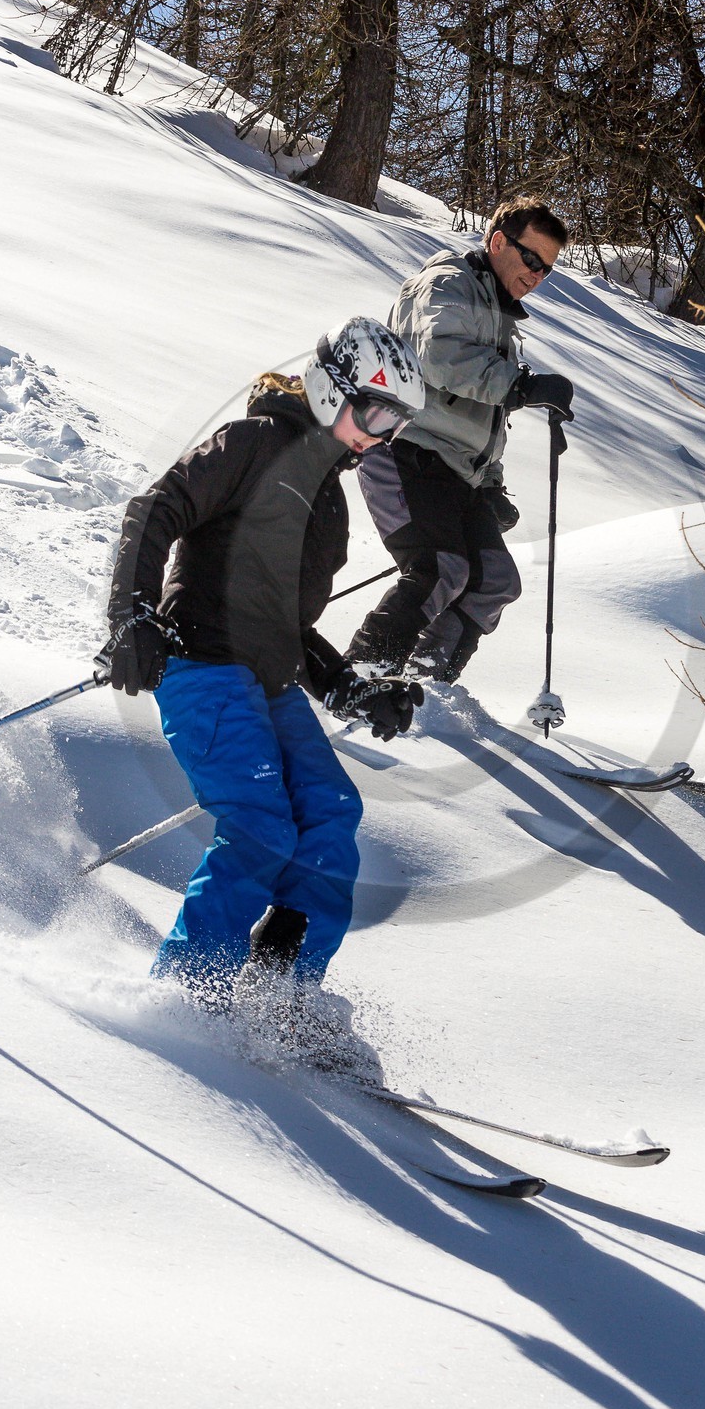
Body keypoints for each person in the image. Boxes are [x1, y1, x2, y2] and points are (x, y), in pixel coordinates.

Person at [97, 317, 426, 1017]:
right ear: (331, 389)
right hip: (205, 667)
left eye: (394, 425)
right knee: (261, 829)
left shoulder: (329, 497)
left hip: (271, 685)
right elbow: (155, 509)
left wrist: (347, 687)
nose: (379, 436)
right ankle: (188, 999)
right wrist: (132, 614)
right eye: (375, 414)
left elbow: (289, 626)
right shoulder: (252, 443)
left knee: (332, 813)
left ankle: (281, 996)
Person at [345, 196, 576, 685]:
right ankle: (361, 681)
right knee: (440, 569)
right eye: (531, 259)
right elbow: (439, 357)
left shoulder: (496, 312)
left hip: (455, 471)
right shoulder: (449, 282)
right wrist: (522, 386)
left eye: (547, 269)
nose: (537, 275)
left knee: (493, 580)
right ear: (498, 242)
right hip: (406, 450)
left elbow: (477, 418)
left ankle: (426, 687)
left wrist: (489, 484)